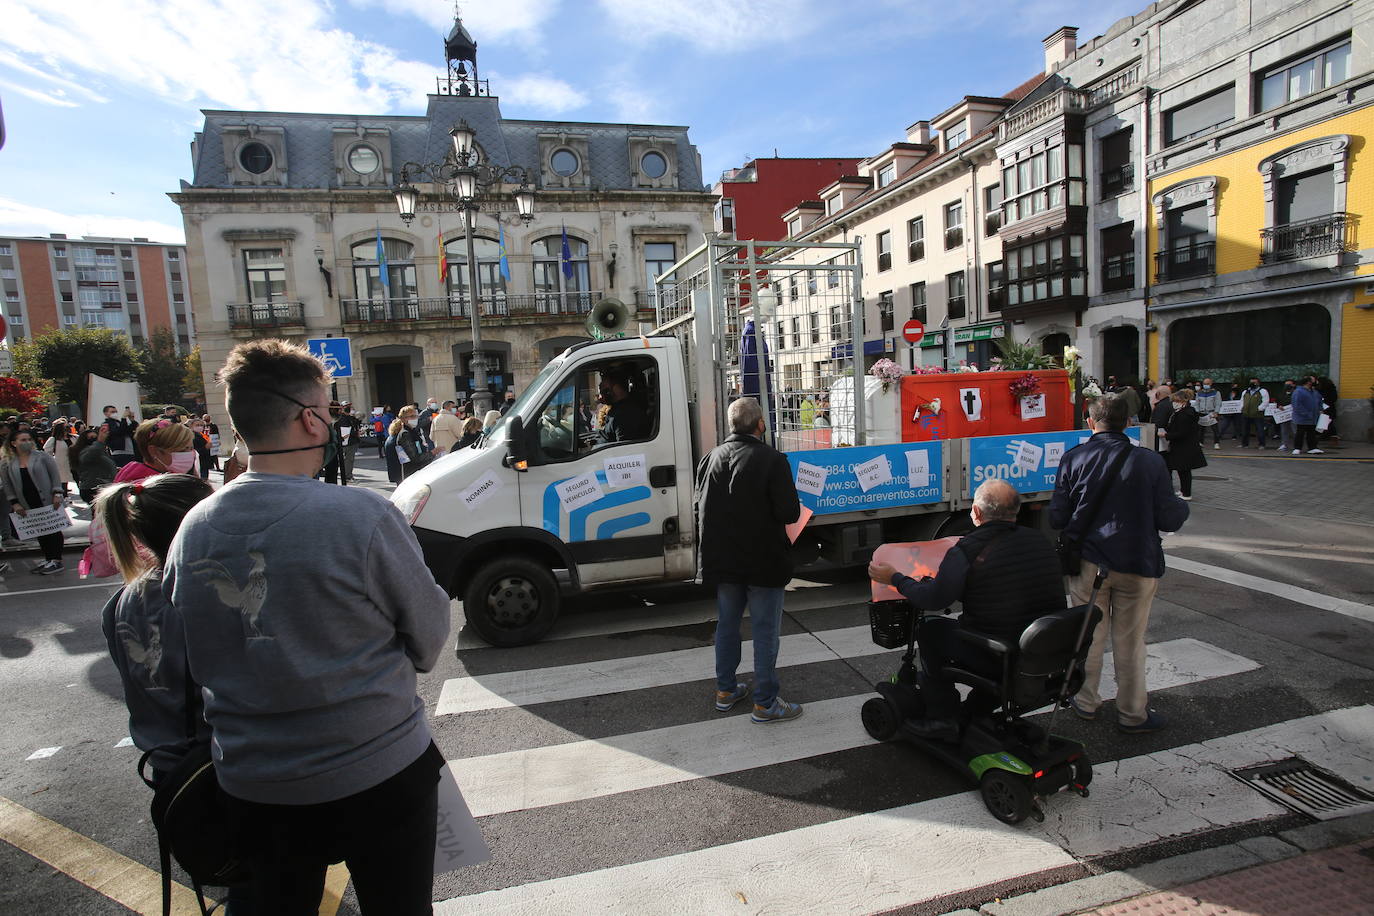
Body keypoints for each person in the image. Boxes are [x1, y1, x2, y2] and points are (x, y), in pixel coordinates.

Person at [163, 338, 451, 914]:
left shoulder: (193, 526)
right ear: (309, 418)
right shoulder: (360, 515)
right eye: (329, 408)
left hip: (254, 783)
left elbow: (187, 655)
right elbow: (429, 633)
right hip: (379, 768)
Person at [867, 479, 1065, 740]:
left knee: (930, 630)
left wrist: (895, 578)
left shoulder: (968, 549)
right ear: (1015, 511)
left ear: (978, 513)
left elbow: (933, 600)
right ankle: (975, 709)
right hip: (1043, 649)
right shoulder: (1039, 540)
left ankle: (942, 719)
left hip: (998, 653)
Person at [1050, 392, 1189, 734]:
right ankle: (1132, 714)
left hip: (1088, 564)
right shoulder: (1150, 461)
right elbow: (1170, 518)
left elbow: (1057, 517)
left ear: (1090, 422)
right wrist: (1182, 507)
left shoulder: (1073, 458)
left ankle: (1085, 703)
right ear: (1128, 423)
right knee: (1130, 641)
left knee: (1088, 637)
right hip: (1137, 562)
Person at [695, 397, 803, 724]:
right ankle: (765, 702)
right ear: (760, 425)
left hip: (724, 562)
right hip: (764, 562)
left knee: (727, 625)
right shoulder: (772, 460)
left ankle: (726, 691)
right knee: (765, 631)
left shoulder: (709, 459)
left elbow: (703, 508)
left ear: (731, 426)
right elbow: (789, 512)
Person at [2, 430, 67, 574]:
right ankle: (48, 558)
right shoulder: (7, 462)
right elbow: (7, 485)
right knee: (40, 530)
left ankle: (56, 560)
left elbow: (55, 475)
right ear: (13, 443)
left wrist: (57, 492)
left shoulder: (42, 456)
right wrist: (14, 503)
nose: (27, 442)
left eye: (28, 439)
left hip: (48, 499)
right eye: (22, 440)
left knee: (53, 529)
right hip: (26, 502)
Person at [115, 419, 197, 484]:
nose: (190, 454)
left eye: (191, 448)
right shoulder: (154, 490)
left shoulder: (171, 479)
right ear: (153, 451)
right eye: (181, 450)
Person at [1161, 388, 1205, 501]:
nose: (1174, 403)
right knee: (1182, 470)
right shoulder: (1186, 412)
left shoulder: (1184, 415)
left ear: (1183, 402)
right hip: (1186, 446)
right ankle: (1184, 490)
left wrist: (1166, 435)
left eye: (1176, 401)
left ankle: (1186, 493)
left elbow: (1181, 433)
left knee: (1184, 470)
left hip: (1184, 446)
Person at [597, 370, 652, 442]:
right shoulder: (616, 409)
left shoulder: (625, 415)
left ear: (616, 389)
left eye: (603, 392)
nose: (600, 398)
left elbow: (624, 449)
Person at [74, 424, 118, 507]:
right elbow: (91, 455)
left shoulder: (101, 451)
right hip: (92, 489)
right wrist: (100, 441)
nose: (94, 440)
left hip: (102, 487)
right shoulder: (85, 452)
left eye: (95, 437)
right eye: (91, 438)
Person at [1291, 375, 1324, 455]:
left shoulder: (1314, 392)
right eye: (1312, 381)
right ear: (1308, 382)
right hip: (1302, 417)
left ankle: (1312, 447)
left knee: (1312, 433)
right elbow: (1297, 405)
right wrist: (1305, 413)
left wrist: (1320, 409)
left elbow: (1320, 401)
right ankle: (1297, 448)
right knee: (1300, 432)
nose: (1314, 382)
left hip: (1313, 417)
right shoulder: (1299, 391)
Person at [42, 419, 74, 497]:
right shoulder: (54, 440)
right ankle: (63, 496)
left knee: (70, 479)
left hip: (73, 462)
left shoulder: (73, 438)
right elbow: (47, 452)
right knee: (63, 481)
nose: (66, 429)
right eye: (65, 428)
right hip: (60, 462)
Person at [334, 401, 362, 485]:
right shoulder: (341, 418)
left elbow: (355, 425)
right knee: (348, 460)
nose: (350, 408)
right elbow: (347, 431)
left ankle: (348, 476)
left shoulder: (350, 417)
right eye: (347, 406)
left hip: (351, 442)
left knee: (349, 460)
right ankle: (347, 476)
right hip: (347, 442)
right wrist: (356, 433)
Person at [1239, 377, 1269, 448]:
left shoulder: (1263, 391)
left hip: (1257, 414)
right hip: (1246, 413)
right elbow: (1241, 401)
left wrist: (1259, 408)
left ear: (1258, 383)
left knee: (1260, 430)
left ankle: (1261, 444)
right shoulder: (1245, 391)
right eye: (1251, 382)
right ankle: (1244, 444)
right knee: (1245, 430)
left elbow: (1266, 401)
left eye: (1254, 382)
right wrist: (1242, 408)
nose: (1252, 384)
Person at [1193, 378, 1221, 449]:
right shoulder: (1199, 393)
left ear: (1211, 384)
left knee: (1215, 430)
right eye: (1204, 384)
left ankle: (1216, 443)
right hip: (1201, 413)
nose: (1205, 385)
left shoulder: (1216, 392)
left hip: (1211, 413)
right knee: (1201, 430)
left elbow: (1218, 403)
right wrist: (1197, 411)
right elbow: (1197, 403)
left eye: (1207, 384)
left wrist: (1216, 412)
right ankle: (1200, 442)